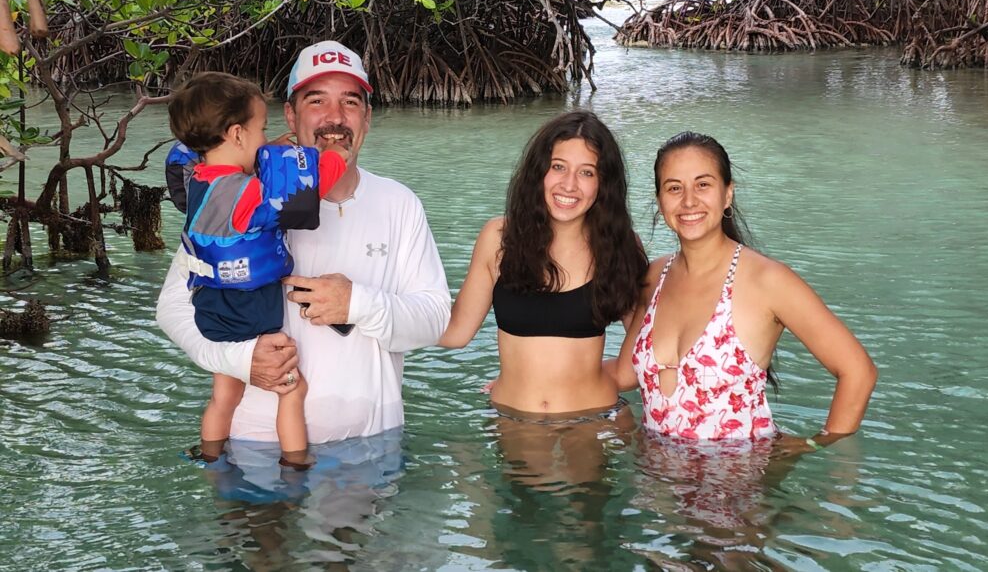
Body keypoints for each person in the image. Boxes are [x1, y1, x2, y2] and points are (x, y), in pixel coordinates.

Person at [156, 41, 450, 450]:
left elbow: (435, 318)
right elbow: (172, 308)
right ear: (291, 116)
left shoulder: (400, 203)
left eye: (350, 101)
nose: (335, 117)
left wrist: (358, 303)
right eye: (317, 101)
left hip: (370, 445)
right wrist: (240, 361)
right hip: (254, 446)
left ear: (367, 117)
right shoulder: (239, 194)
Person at [612, 131, 877, 449]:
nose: (689, 201)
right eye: (674, 188)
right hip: (657, 487)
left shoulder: (767, 281)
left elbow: (858, 371)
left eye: (703, 184)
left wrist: (813, 447)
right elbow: (626, 374)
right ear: (660, 201)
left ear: (727, 195)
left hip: (738, 488)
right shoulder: (654, 277)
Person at [165, 72, 349, 468]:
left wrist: (271, 150)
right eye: (261, 129)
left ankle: (211, 456)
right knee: (291, 390)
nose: (266, 139)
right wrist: (334, 157)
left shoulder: (195, 177)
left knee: (223, 396)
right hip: (252, 311)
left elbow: (246, 170)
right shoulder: (245, 194)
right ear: (235, 133)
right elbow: (301, 192)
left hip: (212, 310)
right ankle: (295, 464)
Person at [438, 110, 648, 418]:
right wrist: (374, 306)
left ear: (604, 185)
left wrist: (573, 378)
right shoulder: (498, 238)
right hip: (514, 418)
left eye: (587, 172)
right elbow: (455, 332)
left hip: (594, 417)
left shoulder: (621, 246)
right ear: (539, 172)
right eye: (558, 167)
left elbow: (641, 357)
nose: (569, 184)